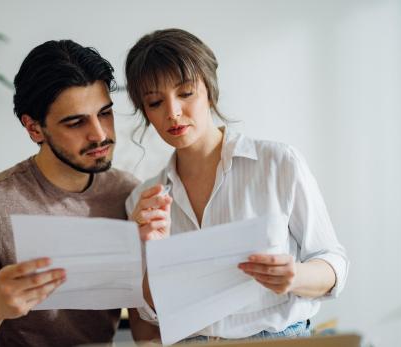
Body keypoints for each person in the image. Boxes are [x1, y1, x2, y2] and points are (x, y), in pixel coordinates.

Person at [125, 28, 349, 342]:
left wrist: (294, 276)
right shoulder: (143, 199)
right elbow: (148, 315)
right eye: (155, 102)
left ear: (210, 90)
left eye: (186, 93)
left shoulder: (278, 163)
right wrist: (148, 250)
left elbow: (333, 263)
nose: (172, 112)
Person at [0, 40, 151, 347]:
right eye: (76, 122)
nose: (100, 134)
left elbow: (146, 334)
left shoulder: (127, 193)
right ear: (34, 128)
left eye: (105, 113)